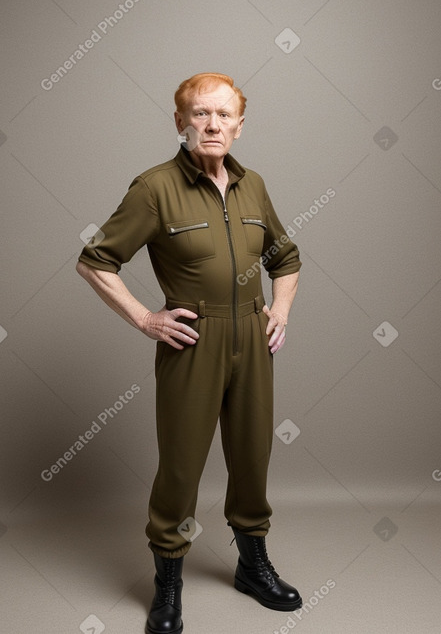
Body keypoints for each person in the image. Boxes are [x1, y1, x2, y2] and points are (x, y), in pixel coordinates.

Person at [76, 72, 302, 634]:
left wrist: (280, 311)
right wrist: (146, 318)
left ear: (240, 126)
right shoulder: (154, 188)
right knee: (181, 466)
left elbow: (287, 257)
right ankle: (168, 584)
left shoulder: (254, 186)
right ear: (179, 123)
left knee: (252, 456)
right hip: (193, 340)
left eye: (224, 115)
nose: (212, 124)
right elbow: (95, 261)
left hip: (252, 338)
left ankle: (253, 566)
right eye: (200, 114)